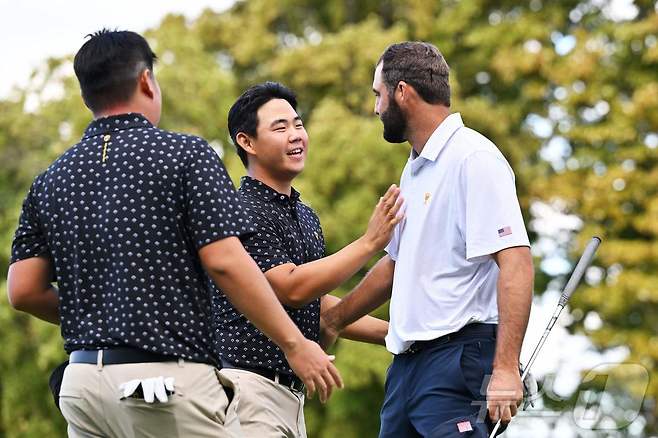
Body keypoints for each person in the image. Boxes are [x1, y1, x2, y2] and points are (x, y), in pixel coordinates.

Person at [6, 30, 341, 438]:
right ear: (147, 80)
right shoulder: (185, 155)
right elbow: (224, 262)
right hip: (161, 385)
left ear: (86, 96)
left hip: (82, 388)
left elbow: (22, 291)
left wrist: (107, 316)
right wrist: (294, 344)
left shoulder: (49, 180)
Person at [320, 41, 534, 437]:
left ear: (403, 92)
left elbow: (516, 261)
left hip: (458, 361)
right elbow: (396, 266)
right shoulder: (415, 170)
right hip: (406, 371)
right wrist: (335, 318)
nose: (376, 108)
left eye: (378, 95)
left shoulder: (474, 158)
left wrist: (505, 369)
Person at [214, 81, 400, 437]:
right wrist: (369, 243)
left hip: (290, 396)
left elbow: (317, 305)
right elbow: (290, 288)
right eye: (280, 128)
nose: (296, 135)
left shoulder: (305, 215)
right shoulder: (241, 210)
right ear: (246, 142)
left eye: (298, 124)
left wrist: (402, 336)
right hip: (246, 390)